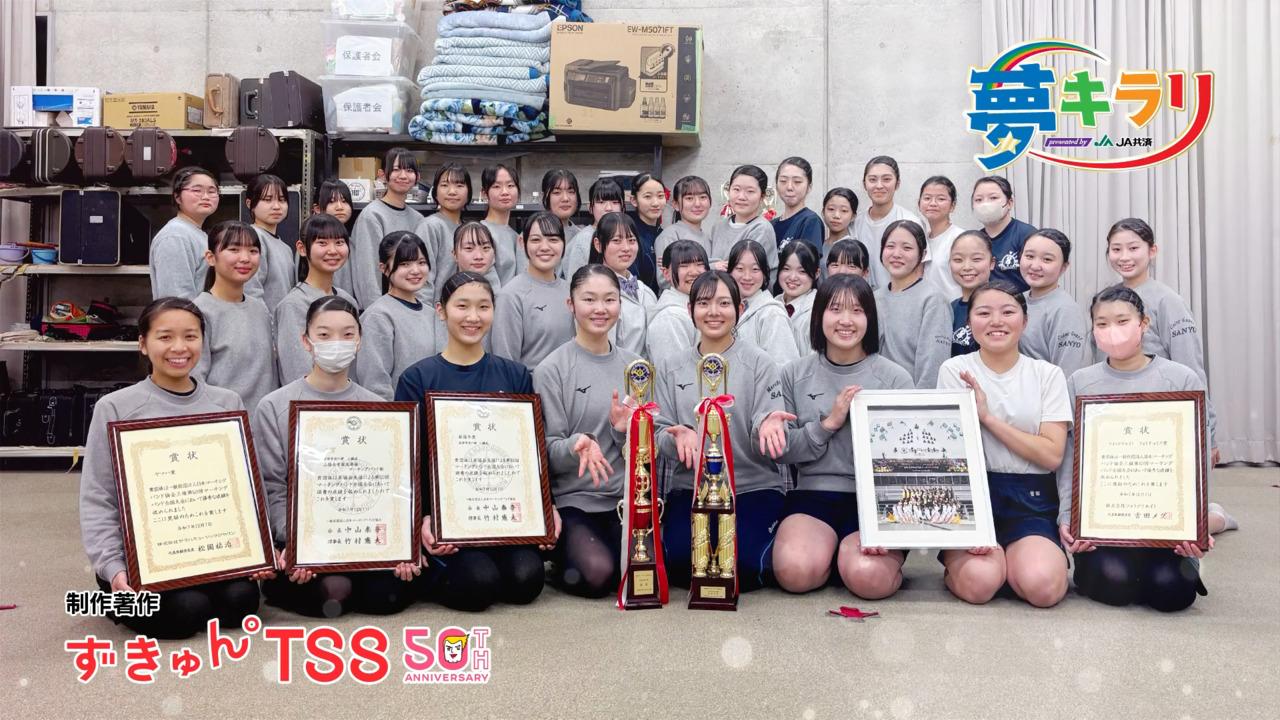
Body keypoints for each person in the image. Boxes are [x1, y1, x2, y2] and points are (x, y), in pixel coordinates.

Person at [79, 297, 260, 639]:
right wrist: (114, 568)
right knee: (186, 611)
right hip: (139, 559)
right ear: (143, 344)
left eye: (190, 336)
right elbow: (98, 498)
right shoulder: (115, 407)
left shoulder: (226, 403)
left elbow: (244, 487)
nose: (179, 347)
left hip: (205, 548)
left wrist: (254, 550)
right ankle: (112, 598)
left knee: (241, 601)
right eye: (165, 337)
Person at [394, 272, 561, 611]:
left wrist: (547, 507)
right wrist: (421, 519)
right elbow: (407, 461)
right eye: (462, 306)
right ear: (441, 310)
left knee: (527, 581)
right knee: (478, 585)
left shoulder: (514, 374)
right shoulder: (417, 378)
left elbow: (530, 451)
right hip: (446, 521)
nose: (473, 317)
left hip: (500, 512)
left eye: (483, 307)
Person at [254, 296, 418, 617]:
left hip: (362, 535)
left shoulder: (380, 410)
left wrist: (401, 541)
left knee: (388, 595)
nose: (336, 343)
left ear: (359, 341)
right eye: (324, 335)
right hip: (305, 540)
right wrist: (296, 540)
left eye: (347, 334)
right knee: (334, 591)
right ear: (306, 341)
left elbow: (392, 488)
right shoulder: (274, 406)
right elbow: (273, 487)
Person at [1057, 285, 1211, 612]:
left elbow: (1196, 457)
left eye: (1122, 321)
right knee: (1115, 585)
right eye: (1101, 323)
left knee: (1172, 592)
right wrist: (1069, 517)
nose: (1112, 330)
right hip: (1104, 523)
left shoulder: (1180, 379)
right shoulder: (1080, 382)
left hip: (1164, 523)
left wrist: (1197, 525)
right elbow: (1070, 456)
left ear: (1144, 323)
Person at [767, 275, 914, 597]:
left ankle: (851, 560)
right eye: (835, 309)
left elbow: (910, 462)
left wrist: (891, 522)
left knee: (869, 579)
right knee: (794, 573)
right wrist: (828, 424)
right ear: (819, 315)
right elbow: (783, 450)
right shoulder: (793, 374)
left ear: (870, 319)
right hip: (813, 494)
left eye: (857, 311)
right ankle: (830, 554)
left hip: (877, 500)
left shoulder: (895, 378)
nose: (846, 320)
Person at [936, 280, 1072, 608]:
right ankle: (986, 568)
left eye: (1008, 312)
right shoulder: (955, 370)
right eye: (984, 313)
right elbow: (948, 453)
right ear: (969, 322)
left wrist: (988, 418)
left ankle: (1013, 564)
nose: (996, 321)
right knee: (979, 584)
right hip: (971, 497)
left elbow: (1051, 454)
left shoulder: (1047, 375)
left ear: (1024, 321)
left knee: (1043, 588)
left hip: (1032, 499)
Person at [653, 271, 790, 591]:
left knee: (742, 567)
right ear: (690, 310)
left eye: (724, 303)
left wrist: (766, 426)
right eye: (704, 303)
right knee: (680, 564)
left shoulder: (761, 363)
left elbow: (769, 418)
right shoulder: (671, 367)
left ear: (739, 309)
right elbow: (659, 431)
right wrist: (678, 437)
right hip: (691, 488)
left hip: (752, 486)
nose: (713, 312)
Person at [1104, 217, 1231, 528]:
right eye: (1116, 249)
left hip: (1162, 418)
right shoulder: (1107, 298)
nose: (1124, 256)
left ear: (1152, 251)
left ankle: (1217, 517)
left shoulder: (1167, 300)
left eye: (1133, 248)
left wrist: (1208, 432)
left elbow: (1191, 369)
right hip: (1120, 420)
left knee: (1175, 522)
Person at [533, 265, 639, 598]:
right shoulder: (551, 369)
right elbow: (548, 450)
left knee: (642, 571)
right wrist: (575, 445)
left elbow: (643, 450)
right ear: (571, 304)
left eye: (609, 299)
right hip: (575, 501)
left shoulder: (635, 368)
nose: (600, 309)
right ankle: (560, 562)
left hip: (624, 500)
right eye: (589, 299)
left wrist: (622, 431)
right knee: (598, 576)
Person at [192, 221, 277, 414]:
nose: (245, 258)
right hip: (223, 424)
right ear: (211, 258)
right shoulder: (199, 312)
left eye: (253, 251)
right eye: (234, 249)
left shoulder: (260, 309)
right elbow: (195, 382)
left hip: (264, 423)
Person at [275, 214, 358, 384]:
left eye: (339, 242)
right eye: (322, 243)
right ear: (302, 248)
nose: (333, 250)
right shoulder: (294, 304)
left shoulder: (348, 300)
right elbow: (296, 371)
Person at [339, 147, 424, 309]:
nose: (403, 176)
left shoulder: (418, 219)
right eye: (396, 169)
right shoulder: (372, 215)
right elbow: (368, 272)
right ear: (383, 175)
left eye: (409, 170)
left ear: (417, 177)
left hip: (411, 306)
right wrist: (376, 311)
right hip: (383, 308)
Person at [356, 231, 436, 400]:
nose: (415, 270)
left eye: (421, 262)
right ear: (383, 268)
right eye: (404, 264)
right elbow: (375, 382)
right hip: (399, 412)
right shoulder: (378, 316)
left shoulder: (432, 314)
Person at [873, 219, 952, 387]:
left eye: (907, 248)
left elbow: (932, 366)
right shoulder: (874, 298)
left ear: (922, 255)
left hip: (913, 398)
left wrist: (919, 402)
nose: (896, 254)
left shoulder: (933, 300)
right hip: (874, 397)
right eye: (890, 246)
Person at [491, 212, 574, 369]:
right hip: (531, 383)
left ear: (564, 243)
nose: (545, 247)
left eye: (553, 239)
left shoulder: (572, 291)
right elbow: (506, 363)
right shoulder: (511, 295)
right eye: (536, 240)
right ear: (522, 242)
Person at [1018, 228, 1089, 379]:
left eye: (1047, 259)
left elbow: (1067, 374)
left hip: (1046, 391)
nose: (1035, 266)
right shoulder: (1016, 300)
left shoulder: (1065, 310)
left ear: (1064, 267)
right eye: (1029, 256)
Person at [149, 166, 222, 300]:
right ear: (177, 197)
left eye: (212, 191)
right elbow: (176, 297)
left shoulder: (196, 233)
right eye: (197, 190)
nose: (206, 197)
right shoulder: (175, 236)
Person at [852, 156, 925, 289]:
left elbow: (919, 270)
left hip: (900, 296)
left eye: (886, 179)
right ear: (864, 184)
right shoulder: (855, 224)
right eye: (872, 180)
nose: (879, 185)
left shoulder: (910, 221)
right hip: (861, 297)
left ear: (897, 184)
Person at [590, 212, 656, 356]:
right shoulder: (593, 293)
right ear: (598, 245)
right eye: (616, 241)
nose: (626, 248)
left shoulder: (645, 291)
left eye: (631, 240)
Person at [729, 239, 799, 365]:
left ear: (765, 274)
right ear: (729, 272)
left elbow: (783, 367)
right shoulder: (725, 308)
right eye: (739, 268)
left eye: (755, 269)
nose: (747, 276)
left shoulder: (772, 314)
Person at [707, 165, 778, 282]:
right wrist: (714, 265)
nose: (741, 197)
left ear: (762, 196)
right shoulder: (718, 227)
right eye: (736, 189)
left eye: (750, 191)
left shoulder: (761, 229)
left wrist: (712, 266)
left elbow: (742, 271)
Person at [645, 239, 709, 363]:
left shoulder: (699, 306)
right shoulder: (670, 318)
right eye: (684, 266)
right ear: (666, 273)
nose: (694, 272)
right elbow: (674, 370)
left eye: (699, 264)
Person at [417, 163, 473, 303]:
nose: (452, 191)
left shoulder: (468, 230)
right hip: (437, 310)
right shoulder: (430, 226)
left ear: (468, 193)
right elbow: (422, 279)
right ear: (435, 192)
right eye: (444, 185)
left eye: (459, 185)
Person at [245, 173, 300, 311]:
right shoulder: (252, 239)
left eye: (282, 200)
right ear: (250, 204)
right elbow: (251, 291)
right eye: (267, 199)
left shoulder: (285, 248)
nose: (276, 206)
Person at [971, 176, 1035, 292]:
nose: (985, 204)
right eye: (979, 200)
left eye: (993, 198)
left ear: (1009, 203)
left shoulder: (1027, 235)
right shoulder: (976, 240)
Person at [654, 175, 713, 291]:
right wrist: (713, 268)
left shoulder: (708, 238)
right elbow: (664, 280)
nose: (697, 204)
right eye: (689, 198)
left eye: (703, 197)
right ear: (675, 204)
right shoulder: (670, 236)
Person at [561, 177, 624, 282]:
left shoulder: (625, 236)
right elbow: (575, 283)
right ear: (590, 207)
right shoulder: (584, 239)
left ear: (623, 207)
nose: (609, 208)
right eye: (601, 202)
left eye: (615, 202)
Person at [948, 230, 994, 357]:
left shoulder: (1001, 307)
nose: (967, 267)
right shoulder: (950, 309)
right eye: (958, 260)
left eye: (976, 259)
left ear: (992, 263)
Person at [918, 175, 964, 300]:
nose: (933, 203)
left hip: (955, 307)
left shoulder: (961, 239)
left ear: (953, 205)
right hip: (928, 308)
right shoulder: (919, 240)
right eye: (927, 198)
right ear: (919, 203)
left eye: (941, 199)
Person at [771, 157, 826, 252]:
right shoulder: (771, 225)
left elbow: (808, 259)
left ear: (809, 187)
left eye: (797, 182)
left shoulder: (810, 221)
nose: (789, 187)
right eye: (783, 181)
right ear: (776, 185)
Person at [480, 163, 523, 283]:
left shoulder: (515, 236)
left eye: (510, 185)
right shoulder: (480, 233)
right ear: (484, 193)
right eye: (496, 186)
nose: (505, 192)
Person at [777, 241, 819, 354]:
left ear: (817, 273)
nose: (792, 277)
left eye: (802, 271)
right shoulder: (773, 304)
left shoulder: (818, 312)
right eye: (786, 269)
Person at [628, 172, 666, 294]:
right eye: (648, 197)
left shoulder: (664, 234)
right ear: (634, 200)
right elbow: (629, 283)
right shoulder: (630, 236)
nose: (656, 203)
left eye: (660, 196)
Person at [820, 187, 859, 266]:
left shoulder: (854, 249)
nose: (836, 215)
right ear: (823, 212)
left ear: (853, 216)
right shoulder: (820, 245)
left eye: (844, 211)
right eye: (831, 209)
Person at [541, 168, 583, 238]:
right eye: (557, 192)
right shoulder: (533, 234)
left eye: (571, 192)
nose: (565, 198)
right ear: (544, 196)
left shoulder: (583, 236)